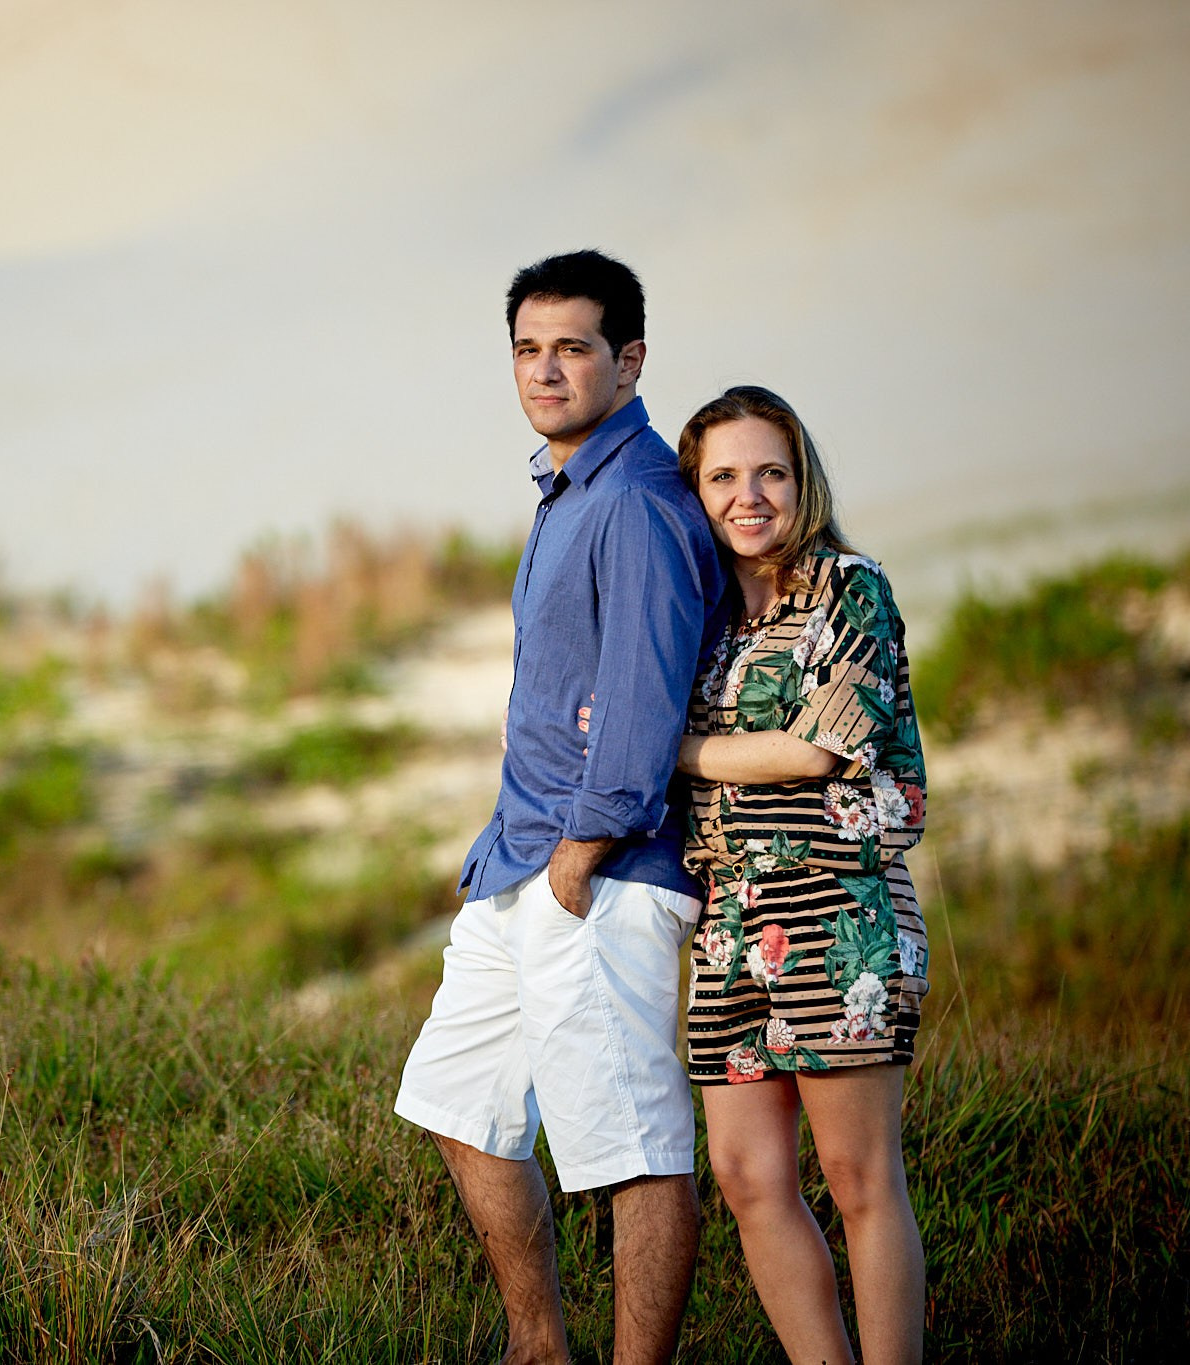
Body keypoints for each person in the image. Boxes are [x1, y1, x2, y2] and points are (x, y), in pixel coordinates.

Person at [394, 250, 726, 1365]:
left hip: (597, 870)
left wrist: (579, 858)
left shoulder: (633, 504)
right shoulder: (564, 490)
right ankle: (539, 1348)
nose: (545, 371)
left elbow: (637, 700)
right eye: (527, 350)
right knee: (454, 1100)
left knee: (631, 1143)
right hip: (516, 862)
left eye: (572, 348)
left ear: (628, 361)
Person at [673, 385, 929, 1365]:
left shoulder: (846, 588)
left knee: (858, 1178)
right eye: (723, 477)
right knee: (744, 1178)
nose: (748, 495)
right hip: (728, 927)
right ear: (695, 494)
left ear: (801, 480)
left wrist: (675, 751)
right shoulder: (703, 620)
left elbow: (816, 749)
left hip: (839, 916)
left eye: (769, 472)